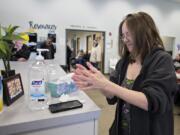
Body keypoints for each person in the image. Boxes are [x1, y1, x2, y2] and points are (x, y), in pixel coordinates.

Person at [72, 12, 177, 135]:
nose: (125, 39)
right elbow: (112, 97)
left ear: (143, 32)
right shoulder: (124, 62)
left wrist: (107, 85)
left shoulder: (162, 60)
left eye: (129, 34)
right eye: (123, 35)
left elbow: (151, 101)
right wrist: (100, 84)